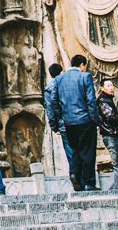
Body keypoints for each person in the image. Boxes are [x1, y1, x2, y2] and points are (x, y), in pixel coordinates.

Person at [46, 55, 98, 191]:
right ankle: (89, 182)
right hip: (85, 120)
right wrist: (95, 119)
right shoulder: (85, 77)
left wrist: (59, 119)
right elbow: (91, 100)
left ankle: (74, 173)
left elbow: (53, 102)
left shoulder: (59, 79)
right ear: (82, 64)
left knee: (75, 150)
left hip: (68, 122)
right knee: (88, 152)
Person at [97, 79, 118, 191]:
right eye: (108, 85)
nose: (111, 87)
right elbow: (110, 117)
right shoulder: (103, 100)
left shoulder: (107, 99)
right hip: (110, 135)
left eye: (112, 85)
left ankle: (116, 188)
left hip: (114, 135)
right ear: (102, 88)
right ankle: (117, 191)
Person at [44, 63, 75, 169]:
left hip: (63, 123)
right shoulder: (71, 83)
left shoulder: (49, 89)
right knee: (81, 150)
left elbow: (50, 110)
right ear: (61, 71)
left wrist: (54, 126)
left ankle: (76, 176)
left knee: (70, 152)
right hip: (77, 119)